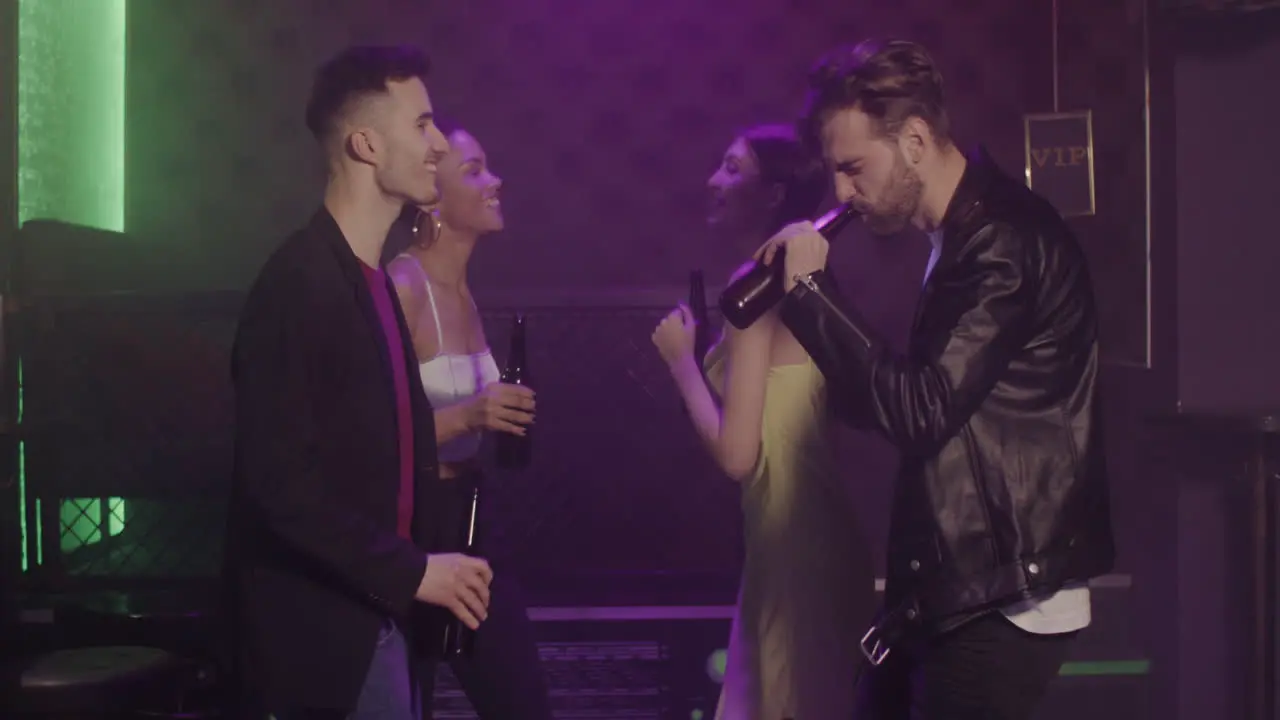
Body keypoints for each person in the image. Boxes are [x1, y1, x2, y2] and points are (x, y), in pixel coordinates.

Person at [757, 39, 1117, 719]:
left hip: (1004, 594)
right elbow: (909, 403)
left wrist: (811, 290)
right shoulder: (957, 238)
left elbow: (919, 410)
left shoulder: (1003, 242)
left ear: (916, 140)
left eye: (853, 167)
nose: (841, 192)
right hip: (952, 586)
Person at [225, 45, 495, 720]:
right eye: (422, 125)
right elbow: (281, 489)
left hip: (379, 613)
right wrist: (415, 572)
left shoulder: (371, 278)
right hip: (325, 631)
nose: (437, 144)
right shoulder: (300, 282)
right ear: (366, 144)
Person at [650, 125, 877, 720]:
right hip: (814, 533)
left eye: (730, 167)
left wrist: (681, 363)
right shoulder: (803, 271)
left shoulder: (760, 283)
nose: (712, 181)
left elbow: (737, 455)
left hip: (792, 542)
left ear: (773, 192)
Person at [385, 121, 552, 718]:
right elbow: (373, 441)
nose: (496, 181)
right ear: (432, 195)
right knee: (411, 701)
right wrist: (469, 414)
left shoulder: (466, 291)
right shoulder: (403, 286)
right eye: (475, 170)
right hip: (412, 530)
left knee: (522, 701)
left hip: (474, 522)